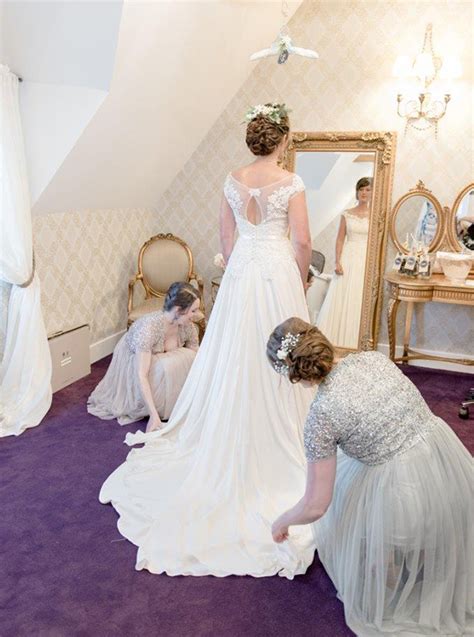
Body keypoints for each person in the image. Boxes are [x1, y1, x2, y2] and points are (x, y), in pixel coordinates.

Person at [99, 103, 317, 578]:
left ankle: (229, 418)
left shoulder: (231, 178)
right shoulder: (292, 183)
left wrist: (239, 266)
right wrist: (298, 281)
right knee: (282, 351)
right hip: (278, 270)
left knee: (234, 351)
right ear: (282, 140)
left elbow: (226, 235)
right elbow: (301, 241)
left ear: (252, 138)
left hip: (242, 271)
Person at [267, 317, 473, 636]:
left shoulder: (320, 417)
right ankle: (426, 553)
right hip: (445, 466)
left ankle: (392, 576)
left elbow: (316, 505)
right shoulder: (374, 358)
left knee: (354, 518)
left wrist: (283, 521)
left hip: (405, 496)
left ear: (293, 376)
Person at [88, 282, 200, 432]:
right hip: (138, 362)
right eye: (193, 310)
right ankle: (156, 407)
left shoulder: (187, 326)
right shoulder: (148, 329)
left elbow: (197, 360)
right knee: (164, 367)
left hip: (161, 364)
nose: (197, 315)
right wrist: (154, 415)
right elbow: (141, 374)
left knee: (187, 358)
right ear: (179, 310)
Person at [316, 177, 372, 349]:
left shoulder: (376, 215)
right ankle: (335, 341)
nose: (364, 192)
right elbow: (340, 239)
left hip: (366, 258)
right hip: (348, 257)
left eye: (368, 189)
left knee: (358, 296)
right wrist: (337, 261)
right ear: (357, 192)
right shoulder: (347, 214)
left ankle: (357, 341)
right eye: (361, 189)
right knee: (341, 296)